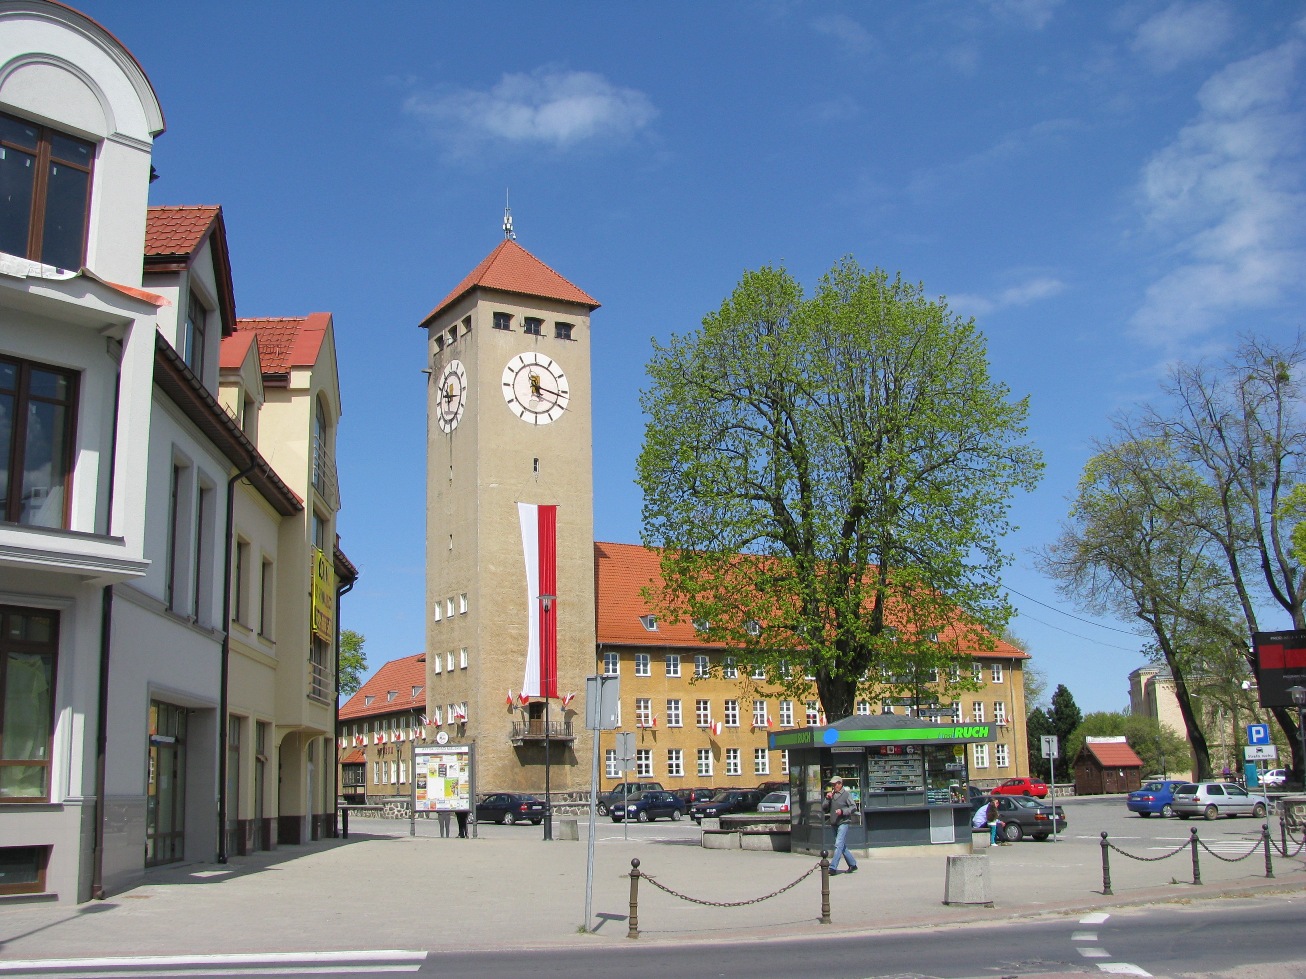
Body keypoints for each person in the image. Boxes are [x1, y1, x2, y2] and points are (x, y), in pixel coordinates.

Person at [822, 776, 859, 874]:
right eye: (832, 785)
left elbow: (853, 807)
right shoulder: (832, 794)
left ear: (840, 784)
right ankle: (852, 864)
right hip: (834, 822)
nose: (833, 786)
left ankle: (833, 867)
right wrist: (827, 799)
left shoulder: (846, 795)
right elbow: (824, 808)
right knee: (841, 845)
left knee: (838, 844)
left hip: (843, 822)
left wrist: (842, 811)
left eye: (835, 784)